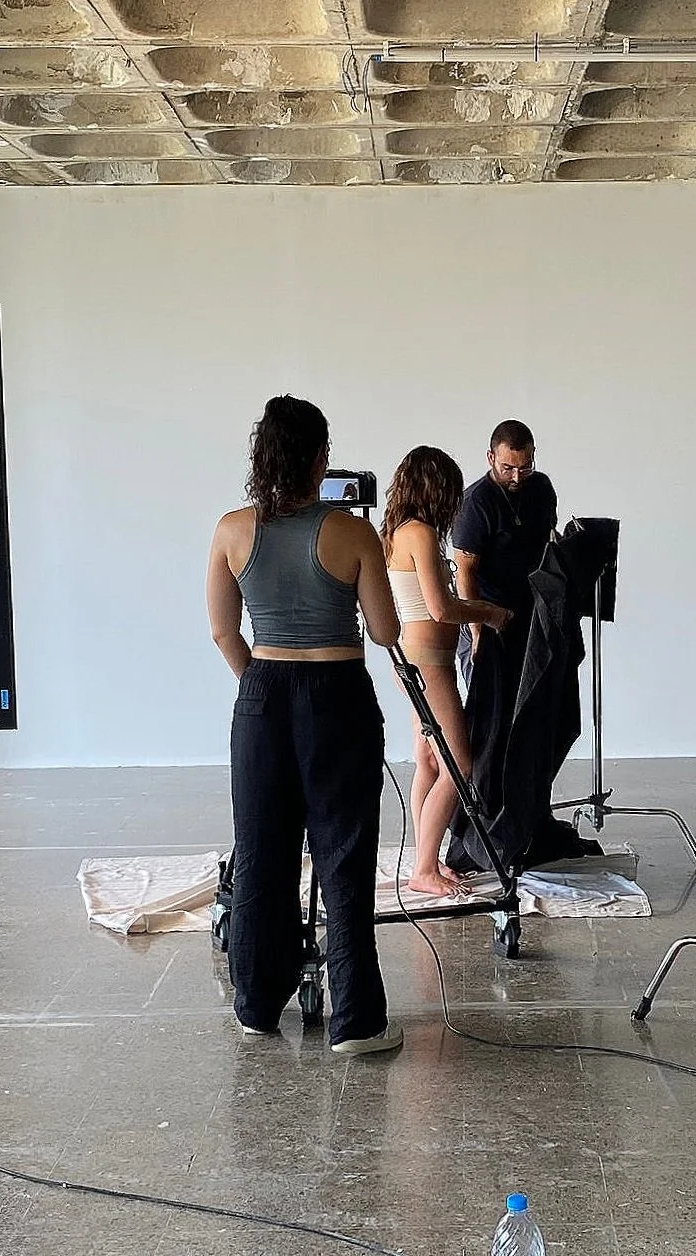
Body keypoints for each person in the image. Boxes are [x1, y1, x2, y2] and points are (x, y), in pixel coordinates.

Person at [206, 395, 403, 1054]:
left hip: (261, 693)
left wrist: (262, 690)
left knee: (262, 855)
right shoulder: (351, 532)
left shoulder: (231, 530)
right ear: (320, 460)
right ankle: (355, 1022)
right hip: (336, 691)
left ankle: (256, 1006)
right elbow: (383, 631)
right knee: (343, 858)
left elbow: (221, 631)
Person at [381, 446, 511, 897]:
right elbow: (441, 608)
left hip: (414, 660)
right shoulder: (418, 534)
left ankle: (426, 858)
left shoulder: (400, 531)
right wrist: (488, 613)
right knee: (460, 763)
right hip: (430, 662)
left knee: (428, 760)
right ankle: (424, 868)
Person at [453, 420, 558, 687]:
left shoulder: (541, 488)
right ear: (491, 458)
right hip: (489, 618)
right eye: (507, 468)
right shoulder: (475, 503)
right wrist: (476, 631)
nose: (516, 477)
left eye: (525, 468)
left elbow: (550, 541)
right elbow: (464, 571)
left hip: (532, 614)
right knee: (489, 710)